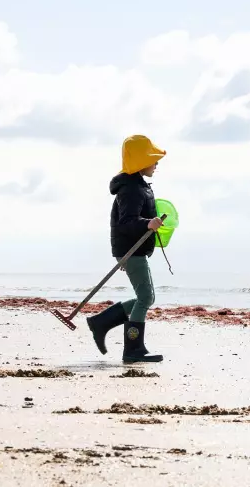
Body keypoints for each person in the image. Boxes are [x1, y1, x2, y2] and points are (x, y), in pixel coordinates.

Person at [86, 134, 167, 364]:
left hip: (133, 249)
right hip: (131, 249)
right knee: (145, 297)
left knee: (147, 297)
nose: (156, 163)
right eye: (152, 159)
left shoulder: (137, 185)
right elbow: (126, 222)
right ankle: (133, 349)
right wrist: (148, 224)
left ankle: (101, 322)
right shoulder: (131, 188)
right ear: (141, 161)